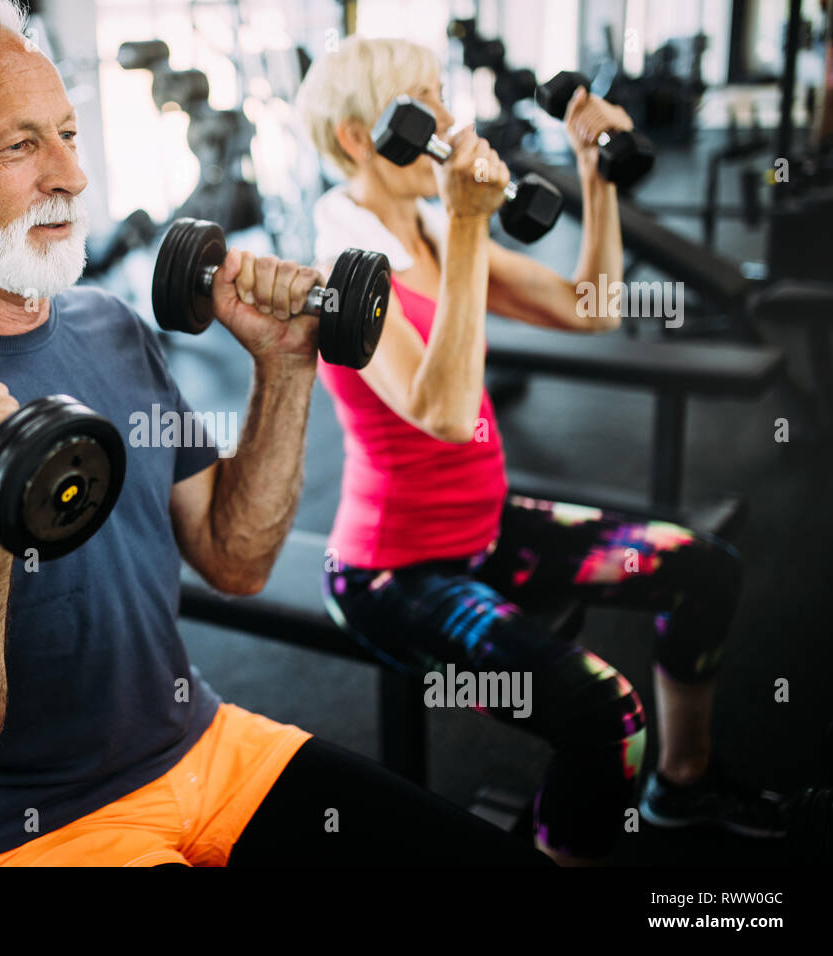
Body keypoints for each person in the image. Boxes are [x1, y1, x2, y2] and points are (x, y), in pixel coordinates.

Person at [0, 0, 548, 867]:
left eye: (68, 133)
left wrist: (287, 367)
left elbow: (236, 559)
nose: (71, 173)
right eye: (19, 146)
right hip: (20, 834)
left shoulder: (108, 324)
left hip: (205, 749)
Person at [295, 35, 786, 865]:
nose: (450, 122)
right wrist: (464, 225)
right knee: (606, 716)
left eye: (442, 97)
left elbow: (592, 305)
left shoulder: (428, 232)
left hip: (485, 527)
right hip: (394, 573)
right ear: (357, 137)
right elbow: (444, 413)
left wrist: (594, 178)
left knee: (705, 568)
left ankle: (684, 782)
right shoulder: (343, 275)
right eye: (426, 102)